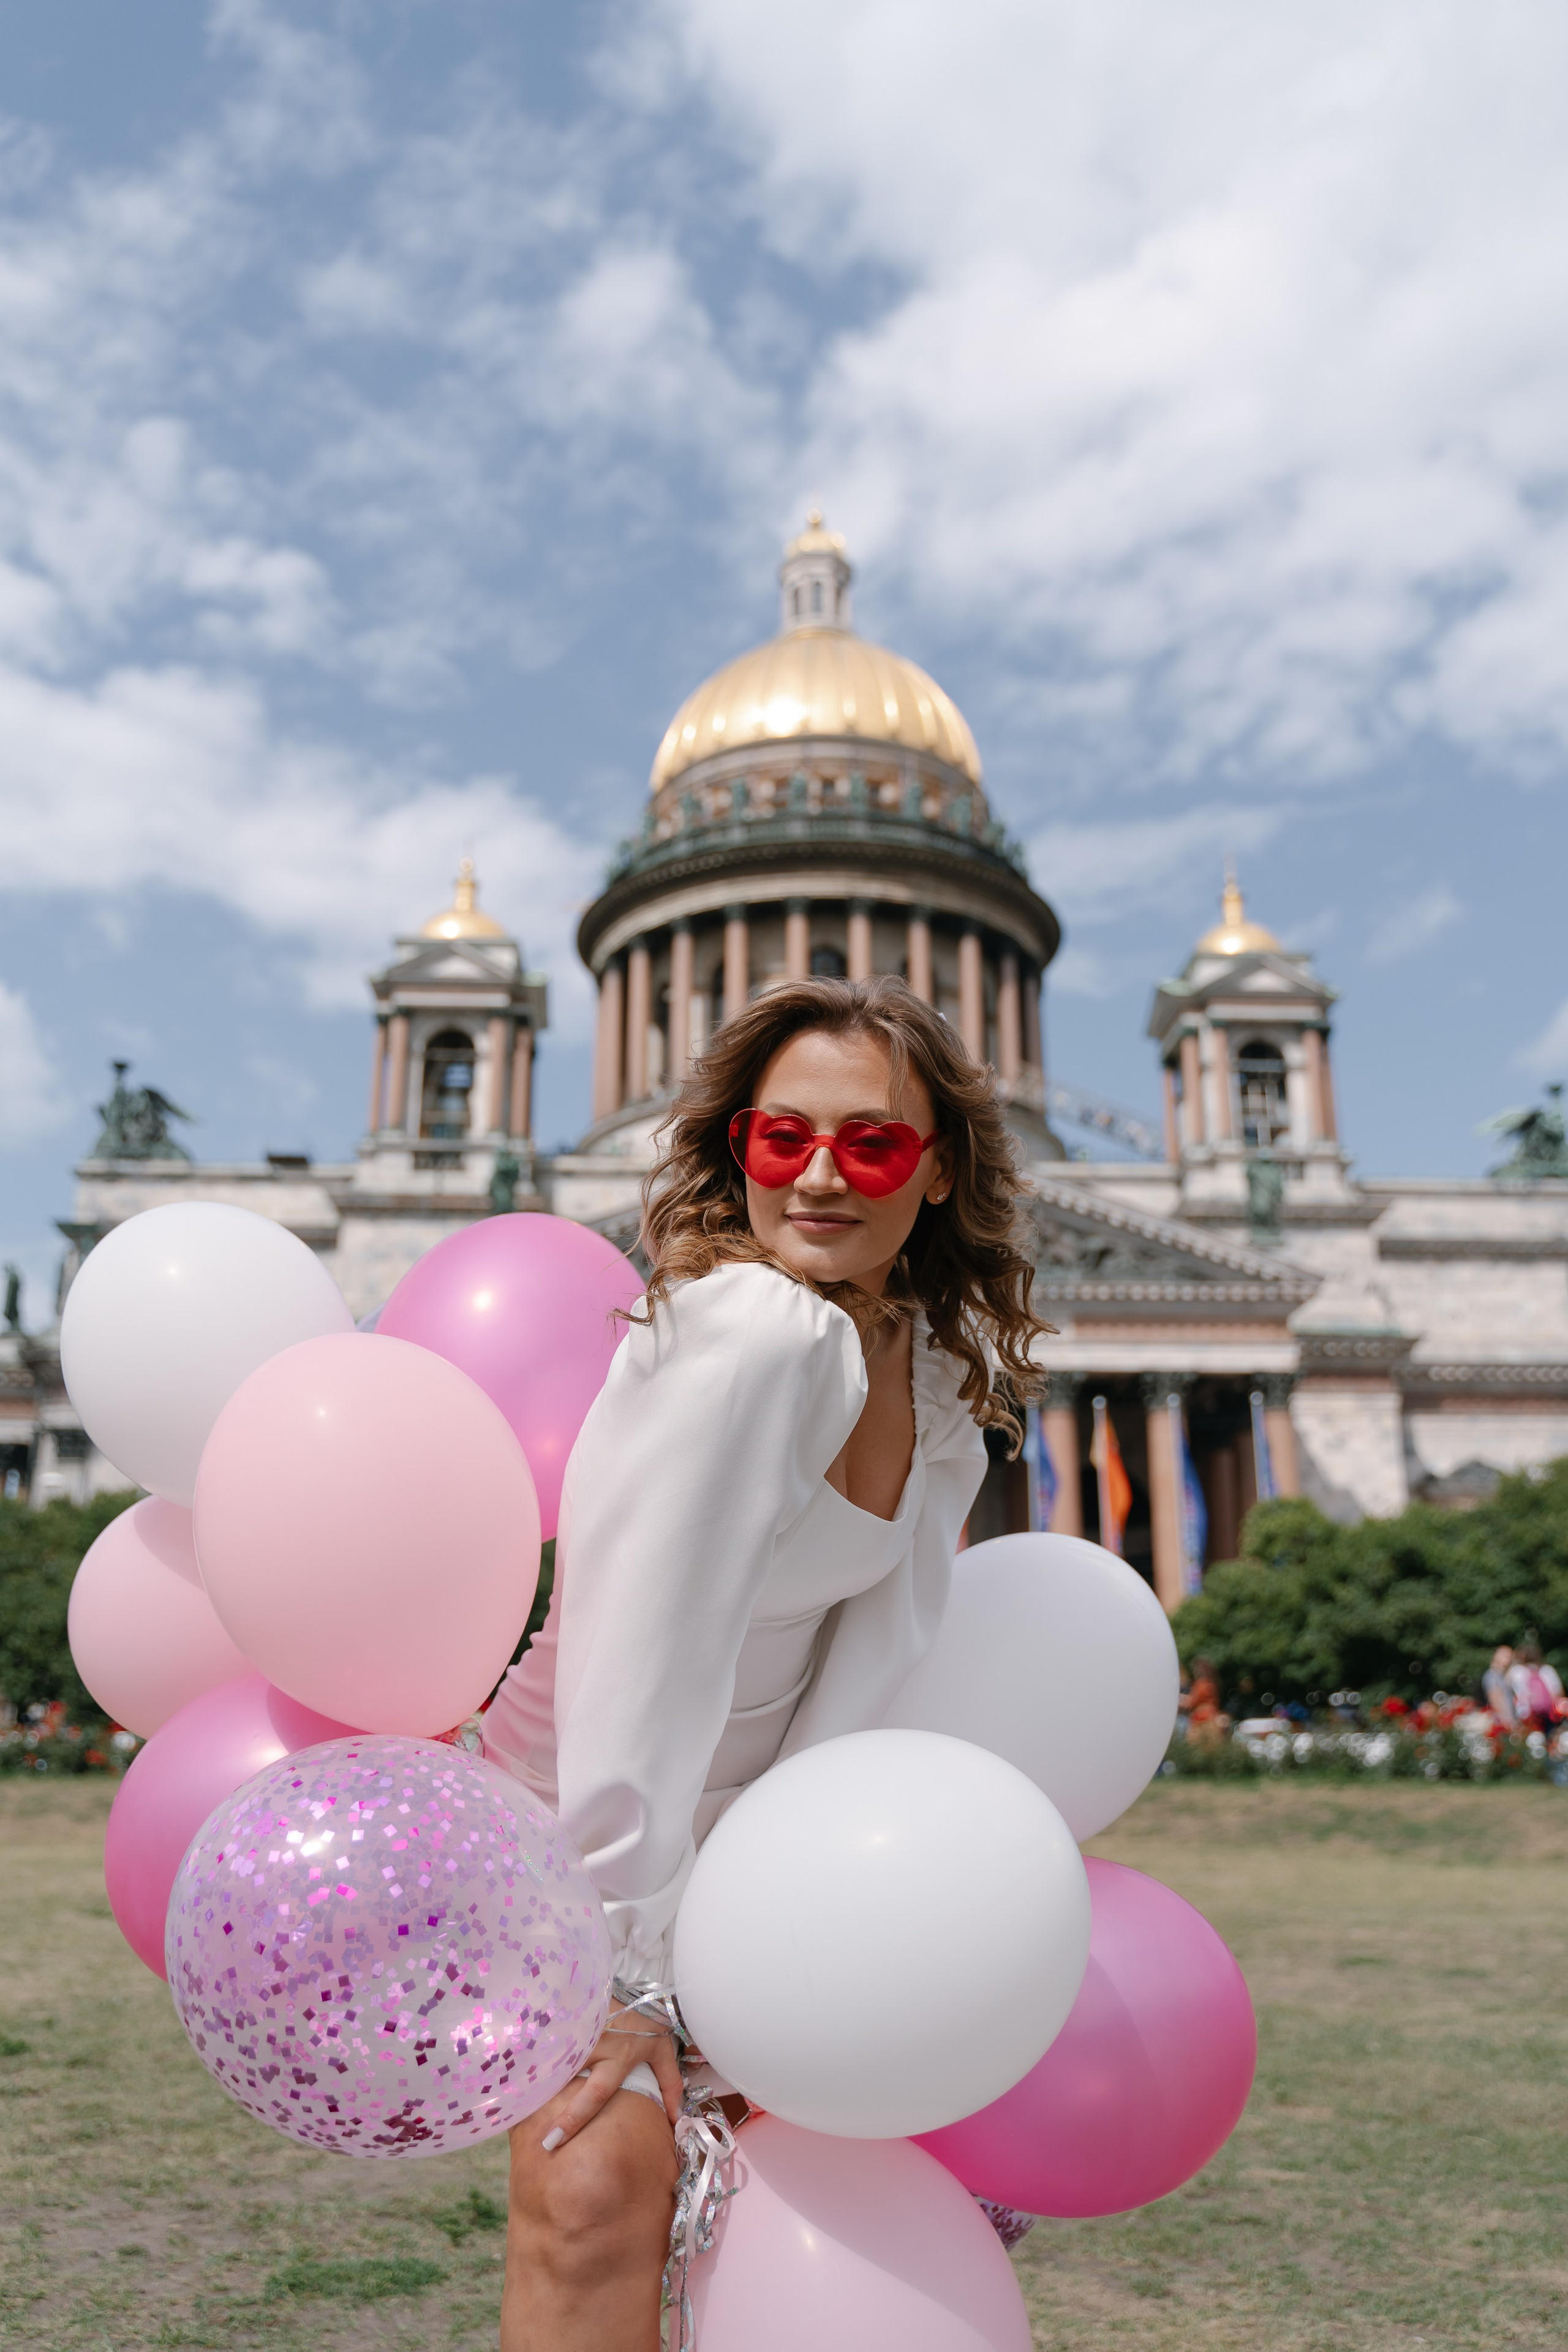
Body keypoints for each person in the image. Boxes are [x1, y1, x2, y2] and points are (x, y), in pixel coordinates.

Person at [483, 976, 1050, 2352]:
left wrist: (777, 1957)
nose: (816, 1176)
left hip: (736, 1841)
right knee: (599, 2183)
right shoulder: (745, 1332)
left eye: (869, 1145)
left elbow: (865, 1685)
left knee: (774, 2193)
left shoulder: (937, 1392)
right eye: (777, 1136)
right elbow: (639, 1655)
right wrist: (624, 1975)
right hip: (569, 1822)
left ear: (937, 1173)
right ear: (733, 1145)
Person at [1482, 1644, 1517, 1729]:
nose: (1509, 1659)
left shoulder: (1502, 1676)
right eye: (1506, 1656)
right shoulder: (1492, 1675)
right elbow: (1495, 1698)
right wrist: (1507, 1721)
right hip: (1501, 1723)